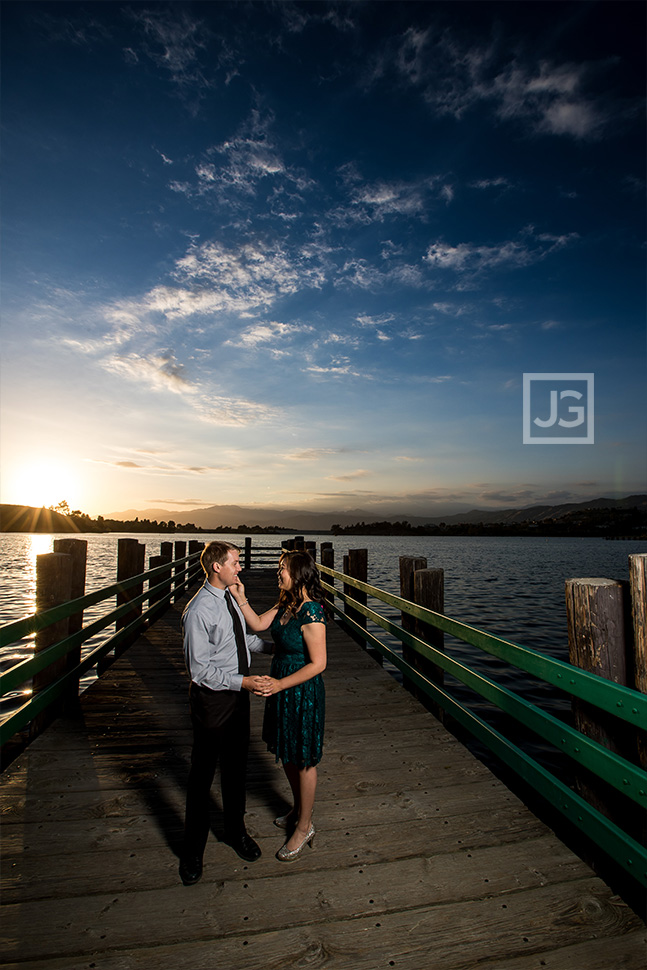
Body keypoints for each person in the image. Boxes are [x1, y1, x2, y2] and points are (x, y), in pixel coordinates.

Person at [179, 540, 272, 886]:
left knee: (236, 768)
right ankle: (192, 851)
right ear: (217, 566)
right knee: (201, 776)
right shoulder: (198, 611)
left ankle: (236, 832)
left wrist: (274, 648)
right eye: (235, 562)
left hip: (238, 695)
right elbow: (199, 671)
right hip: (212, 702)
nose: (240, 567)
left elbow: (241, 639)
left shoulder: (232, 596)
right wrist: (243, 682)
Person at [230, 550, 327, 862]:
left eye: (282, 568)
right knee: (287, 750)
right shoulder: (286, 603)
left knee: (304, 759)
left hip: (301, 689)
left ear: (297, 574)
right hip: (280, 681)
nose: (278, 573)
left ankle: (305, 826)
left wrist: (281, 685)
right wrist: (240, 596)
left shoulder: (311, 612)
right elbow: (257, 624)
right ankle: (299, 810)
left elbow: (319, 664)